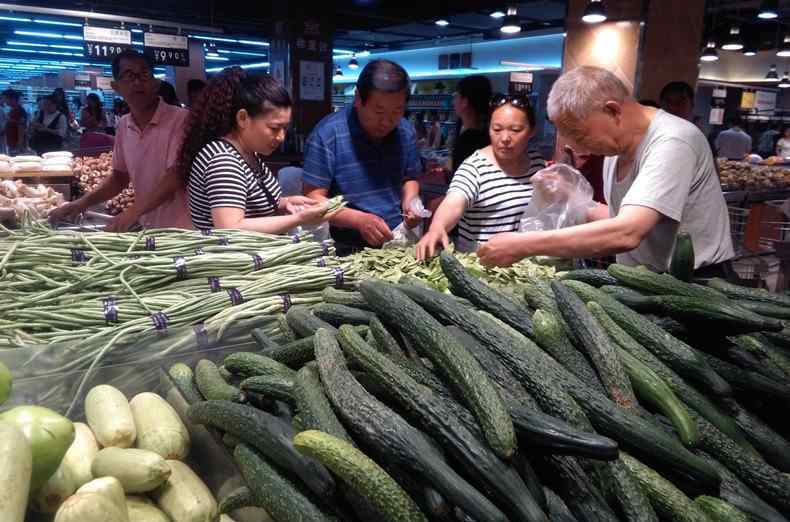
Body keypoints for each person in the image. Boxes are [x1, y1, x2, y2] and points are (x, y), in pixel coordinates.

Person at [477, 66, 734, 277]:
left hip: (695, 284)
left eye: (580, 133)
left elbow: (627, 232)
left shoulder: (673, 141)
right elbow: (619, 218)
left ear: (612, 111)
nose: (574, 145)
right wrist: (571, 197)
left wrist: (523, 245)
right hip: (647, 282)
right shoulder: (616, 148)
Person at [50, 50, 192, 231]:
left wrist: (132, 212)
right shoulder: (124, 125)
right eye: (129, 75)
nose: (137, 81)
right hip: (150, 230)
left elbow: (176, 176)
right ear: (116, 86)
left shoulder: (181, 120)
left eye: (144, 74)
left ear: (156, 83)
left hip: (184, 231)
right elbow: (119, 178)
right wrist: (80, 203)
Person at [178, 67, 327, 232]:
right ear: (243, 118)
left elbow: (251, 203)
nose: (281, 137)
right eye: (274, 128)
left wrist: (287, 202)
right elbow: (231, 228)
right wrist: (298, 219)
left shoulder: (248, 152)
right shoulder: (223, 160)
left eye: (285, 128)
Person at [302, 59, 422, 255]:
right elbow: (312, 199)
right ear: (358, 98)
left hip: (397, 238)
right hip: (345, 246)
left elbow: (411, 177)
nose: (387, 121)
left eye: (397, 111)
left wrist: (411, 200)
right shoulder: (327, 135)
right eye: (379, 111)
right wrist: (358, 220)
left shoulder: (405, 131)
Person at [416, 93, 546, 259]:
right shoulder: (475, 167)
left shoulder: (537, 162)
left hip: (524, 265)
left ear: (532, 131)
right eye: (497, 129)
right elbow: (455, 201)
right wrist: (437, 227)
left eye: (516, 130)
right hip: (481, 265)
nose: (505, 138)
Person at [452, 75, 492, 173]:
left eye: (456, 96)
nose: (453, 101)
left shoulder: (468, 140)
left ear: (465, 101)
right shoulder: (489, 133)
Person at [2, 89, 27, 155]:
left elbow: (21, 128)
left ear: (12, 99)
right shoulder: (12, 110)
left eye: (5, 99)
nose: (4, 101)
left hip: (17, 144)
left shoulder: (19, 110)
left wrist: (19, 145)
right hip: (12, 142)